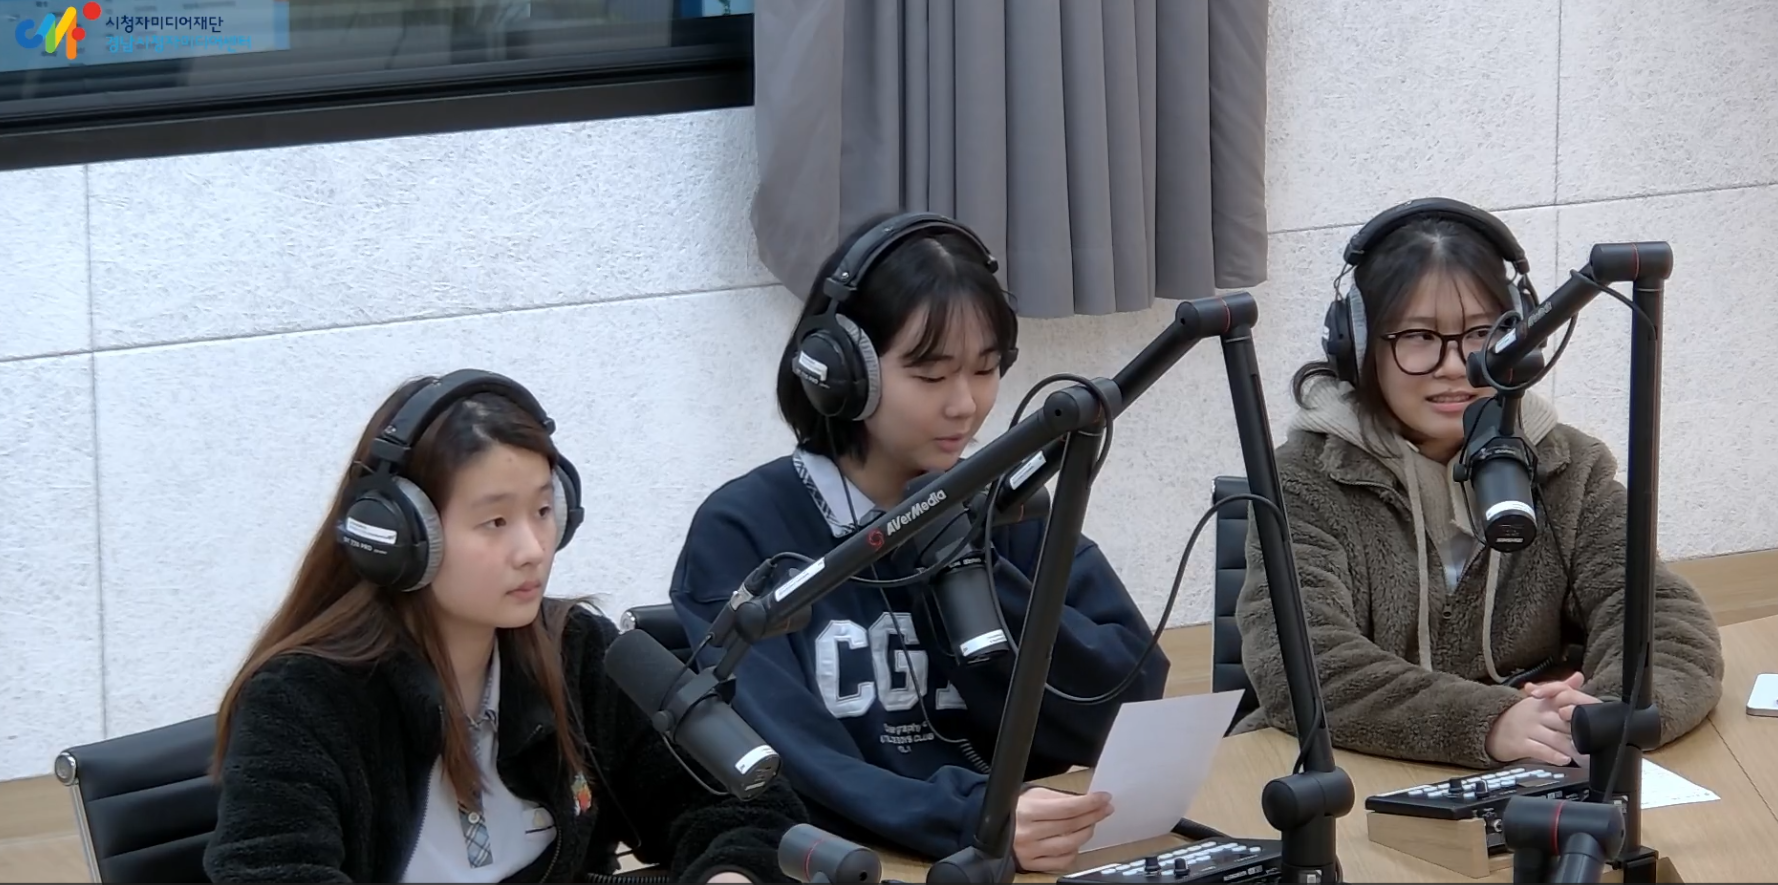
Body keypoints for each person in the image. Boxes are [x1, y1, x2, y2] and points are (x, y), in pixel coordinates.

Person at [668, 212, 1169, 873]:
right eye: (931, 376)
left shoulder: (1005, 507)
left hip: (1028, 853)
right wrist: (974, 817)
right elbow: (791, 762)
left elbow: (1129, 699)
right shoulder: (742, 530)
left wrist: (970, 563)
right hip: (866, 864)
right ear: (840, 373)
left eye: (986, 370)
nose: (965, 404)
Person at [204, 370, 805, 884]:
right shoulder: (302, 701)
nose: (533, 550)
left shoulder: (577, 652)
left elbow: (748, 805)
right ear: (402, 537)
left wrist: (733, 873)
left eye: (543, 510)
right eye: (494, 522)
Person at [1232, 198, 1725, 770]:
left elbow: (1662, 622)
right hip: (1339, 766)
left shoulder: (1570, 467)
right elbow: (1297, 662)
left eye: (1481, 333)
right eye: (1418, 335)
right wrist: (1488, 723)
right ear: (1359, 345)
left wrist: (1598, 716)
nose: (1455, 365)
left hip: (1535, 769)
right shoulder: (1303, 479)